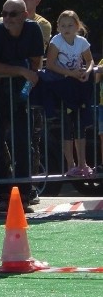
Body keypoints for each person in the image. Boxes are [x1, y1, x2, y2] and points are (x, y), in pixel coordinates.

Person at [0, 0, 43, 212]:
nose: (7, 18)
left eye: (13, 14)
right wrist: (20, 70)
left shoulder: (33, 29)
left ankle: (23, 193)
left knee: (23, 143)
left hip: (20, 95)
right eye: (4, 13)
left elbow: (36, 62)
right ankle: (3, 193)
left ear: (25, 15)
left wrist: (25, 74)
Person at [38, 10, 95, 177]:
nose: (66, 28)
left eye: (70, 25)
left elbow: (89, 60)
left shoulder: (82, 41)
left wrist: (87, 71)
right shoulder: (56, 41)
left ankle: (83, 164)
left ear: (77, 26)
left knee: (80, 126)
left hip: (78, 86)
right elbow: (50, 64)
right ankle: (70, 165)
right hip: (61, 86)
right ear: (58, 28)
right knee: (66, 126)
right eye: (62, 25)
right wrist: (70, 73)